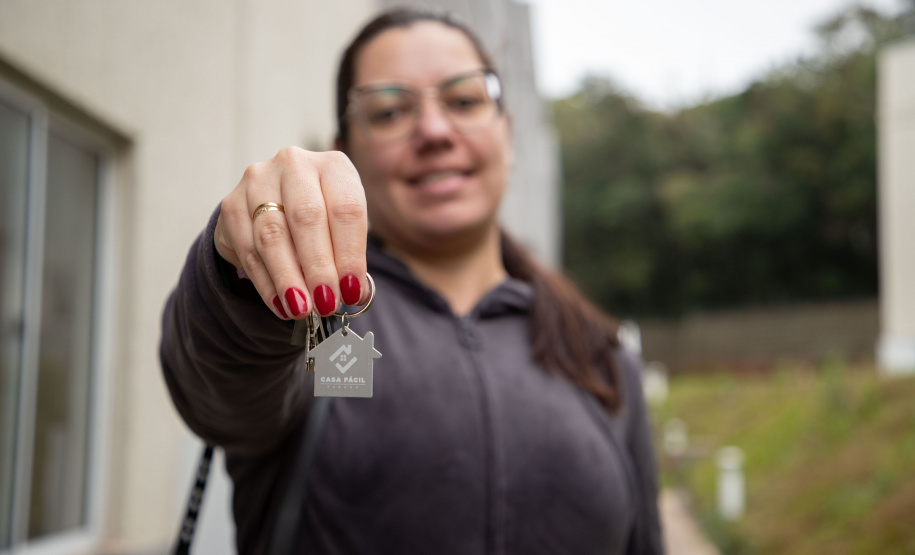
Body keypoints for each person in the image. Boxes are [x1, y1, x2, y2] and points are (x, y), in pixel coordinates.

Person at [160, 7, 663, 554]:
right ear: (345, 150)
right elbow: (222, 387)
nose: (433, 130)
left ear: (508, 133)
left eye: (465, 100)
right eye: (391, 110)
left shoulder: (599, 355)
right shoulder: (318, 329)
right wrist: (240, 277)